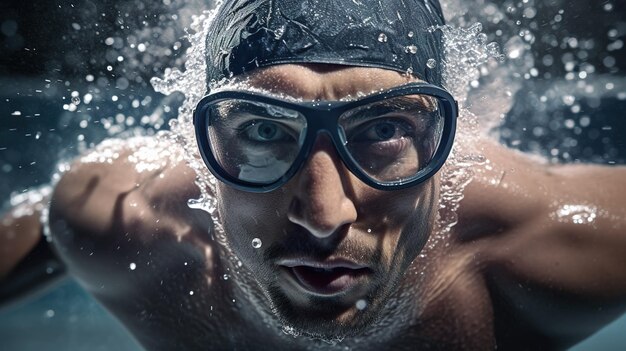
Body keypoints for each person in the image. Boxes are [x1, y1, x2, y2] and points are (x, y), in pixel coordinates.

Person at [2, 0, 626, 349]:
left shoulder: (569, 239)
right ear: (203, 148)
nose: (326, 216)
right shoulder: (121, 220)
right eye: (265, 130)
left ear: (445, 141)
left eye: (383, 129)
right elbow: (52, 214)